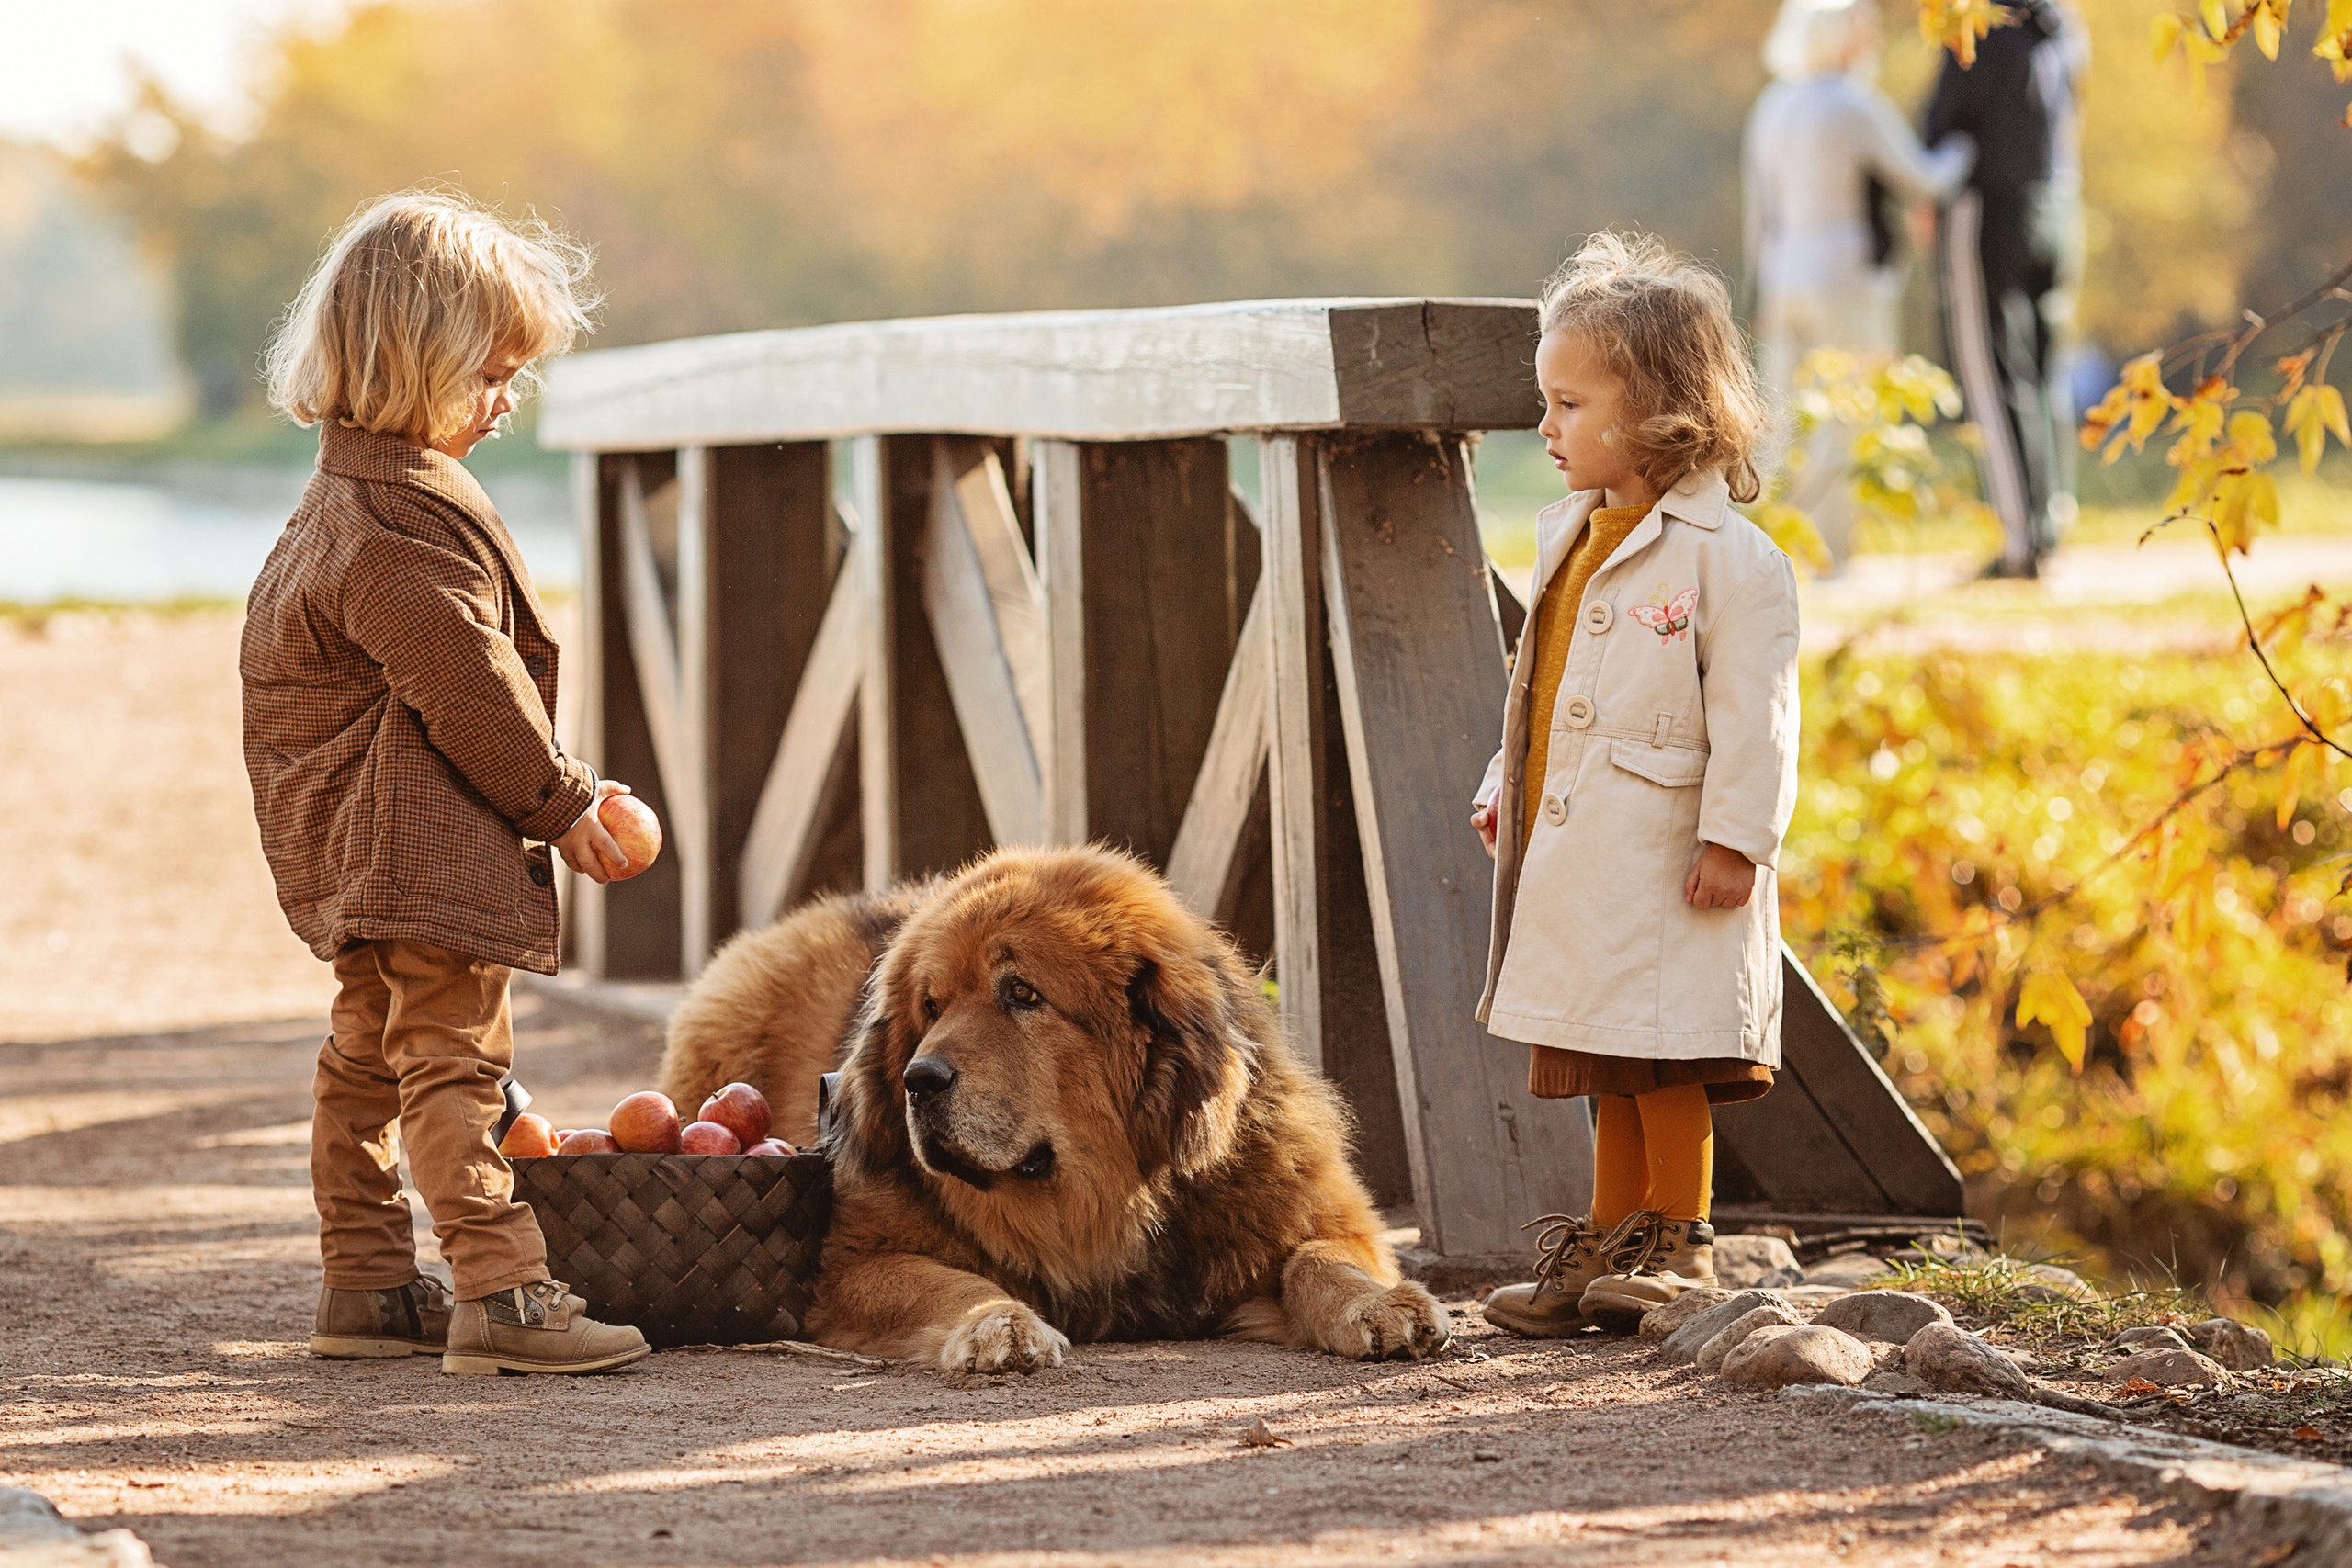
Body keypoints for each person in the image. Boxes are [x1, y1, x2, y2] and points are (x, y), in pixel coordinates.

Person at [242, 189, 651, 1375]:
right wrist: (567, 804)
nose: (507, 399)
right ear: (418, 361)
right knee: (455, 1064)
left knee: (367, 1058)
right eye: (491, 374)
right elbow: (471, 689)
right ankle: (503, 1289)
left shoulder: (333, 505)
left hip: (364, 852)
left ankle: (367, 1282)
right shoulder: (395, 527)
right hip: (421, 849)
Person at [1468, 232, 1801, 1336]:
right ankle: (1608, 1238)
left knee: (1666, 1056)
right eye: (1547, 404)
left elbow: (1757, 717)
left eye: (1569, 405)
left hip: (1666, 857)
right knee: (1605, 1053)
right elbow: (1540, 686)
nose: (1547, 428)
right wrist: (1503, 784)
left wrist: (1736, 840)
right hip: (1587, 855)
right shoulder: (1568, 536)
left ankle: (1679, 1238)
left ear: (1656, 410)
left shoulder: (1730, 561)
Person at [1744, 0, 1973, 570]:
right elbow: (1925, 179)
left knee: (1782, 417)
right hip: (1844, 276)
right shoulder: (1853, 104)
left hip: (1782, 276)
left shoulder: (1772, 105)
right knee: (1847, 416)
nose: (1871, 38)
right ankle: (1833, 552)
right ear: (1838, 36)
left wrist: (1758, 291)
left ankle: (1768, 546)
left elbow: (1758, 213)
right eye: (1861, 28)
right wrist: (1967, 148)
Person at [1926, 0, 2088, 577]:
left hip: (1990, 208)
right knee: (2046, 373)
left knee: (1993, 377)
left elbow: (1946, 126)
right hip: (2059, 203)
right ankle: (2050, 525)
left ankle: (2022, 543)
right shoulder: (2064, 26)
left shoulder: (1977, 25)